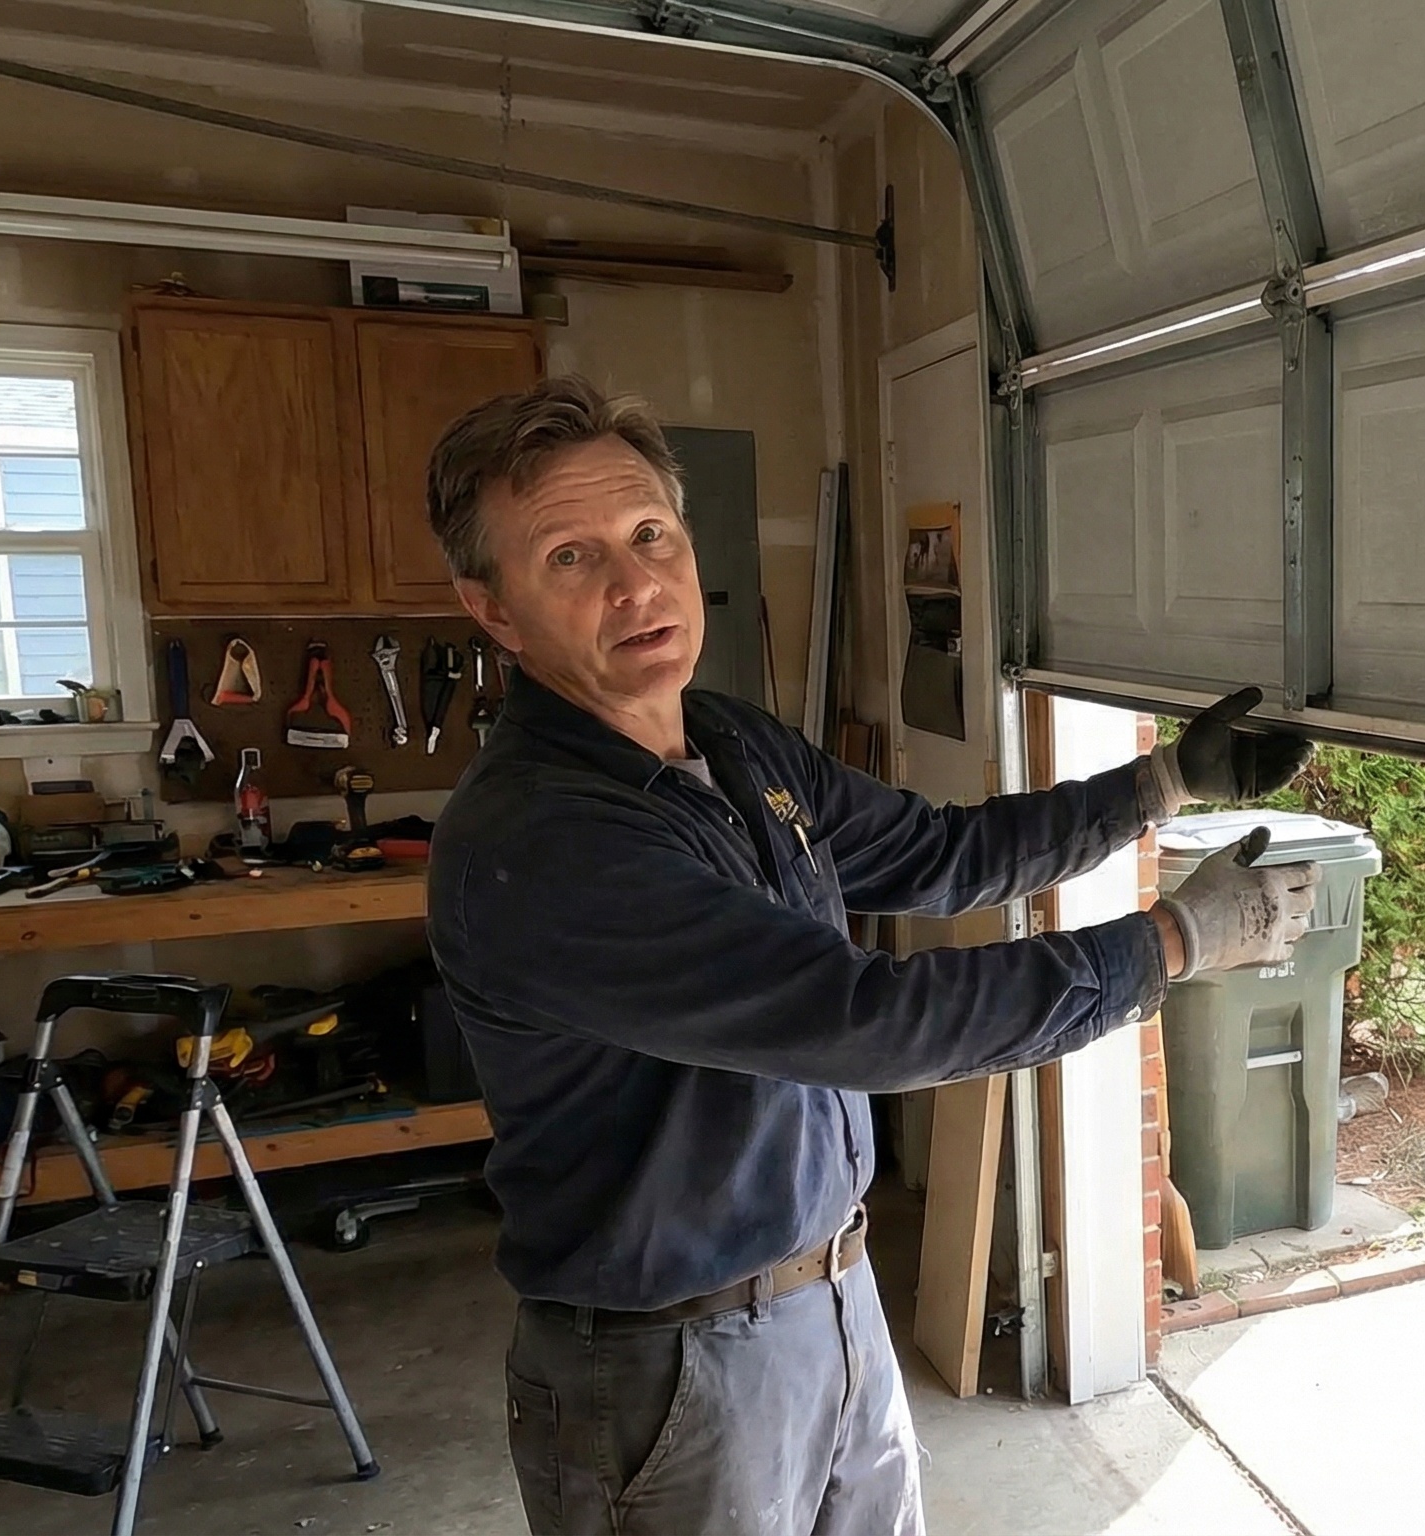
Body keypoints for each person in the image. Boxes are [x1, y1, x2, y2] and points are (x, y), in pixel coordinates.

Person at [422, 375, 1317, 1536]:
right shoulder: (539, 841)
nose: (637, 583)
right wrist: (1175, 941)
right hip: (668, 1371)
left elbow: (941, 856)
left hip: (831, 1301)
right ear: (493, 610)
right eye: (569, 558)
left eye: (650, 534)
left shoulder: (732, 744)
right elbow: (866, 1020)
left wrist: (1163, 784)